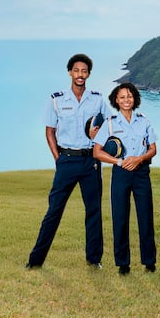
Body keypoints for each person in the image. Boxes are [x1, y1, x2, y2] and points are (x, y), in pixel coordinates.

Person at [26, 54, 110, 270]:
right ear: (70, 73)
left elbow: (110, 127)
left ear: (88, 74)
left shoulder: (98, 99)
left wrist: (100, 136)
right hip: (66, 160)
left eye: (84, 71)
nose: (80, 75)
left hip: (90, 162)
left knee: (93, 211)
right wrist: (58, 159)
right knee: (54, 210)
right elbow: (49, 131)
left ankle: (94, 259)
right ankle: (35, 260)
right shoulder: (57, 99)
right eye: (76, 70)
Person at [93, 83, 158, 275]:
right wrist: (119, 162)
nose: (126, 100)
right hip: (121, 174)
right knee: (120, 217)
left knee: (145, 217)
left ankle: (149, 261)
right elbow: (97, 152)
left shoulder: (144, 121)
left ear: (135, 98)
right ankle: (123, 263)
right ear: (116, 100)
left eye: (129, 96)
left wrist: (139, 159)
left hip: (141, 173)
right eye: (122, 97)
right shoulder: (110, 123)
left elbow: (153, 148)